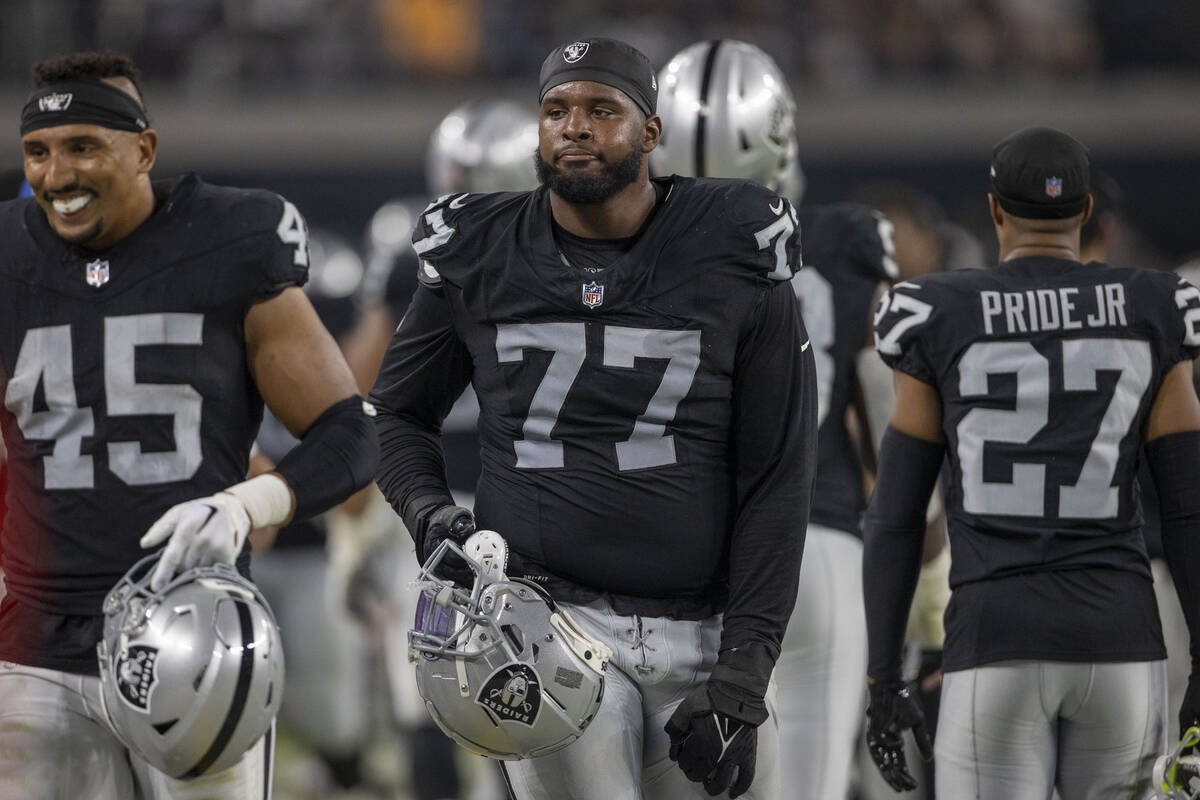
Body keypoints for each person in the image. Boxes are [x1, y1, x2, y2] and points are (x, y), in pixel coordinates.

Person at [370, 36, 817, 800]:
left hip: (703, 633)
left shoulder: (733, 242)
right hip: (545, 626)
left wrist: (745, 665)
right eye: (556, 110)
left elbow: (777, 473)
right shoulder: (478, 247)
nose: (573, 127)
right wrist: (430, 513)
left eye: (600, 110)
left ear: (651, 132)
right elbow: (395, 414)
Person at [0, 51, 378, 800]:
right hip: (34, 644)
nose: (57, 176)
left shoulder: (229, 239)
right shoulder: (7, 253)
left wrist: (245, 505)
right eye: (38, 152)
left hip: (194, 636)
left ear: (143, 149)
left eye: (82, 147)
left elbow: (352, 432)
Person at [864, 125, 1200, 798]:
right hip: (1121, 640)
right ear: (1084, 214)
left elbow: (896, 517)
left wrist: (882, 675)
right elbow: (1190, 509)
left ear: (994, 211)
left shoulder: (938, 312)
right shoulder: (1154, 307)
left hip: (996, 636)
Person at [651, 38, 898, 800]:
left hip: (670, 543)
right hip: (814, 536)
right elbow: (895, 432)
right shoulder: (845, 240)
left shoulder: (630, 248)